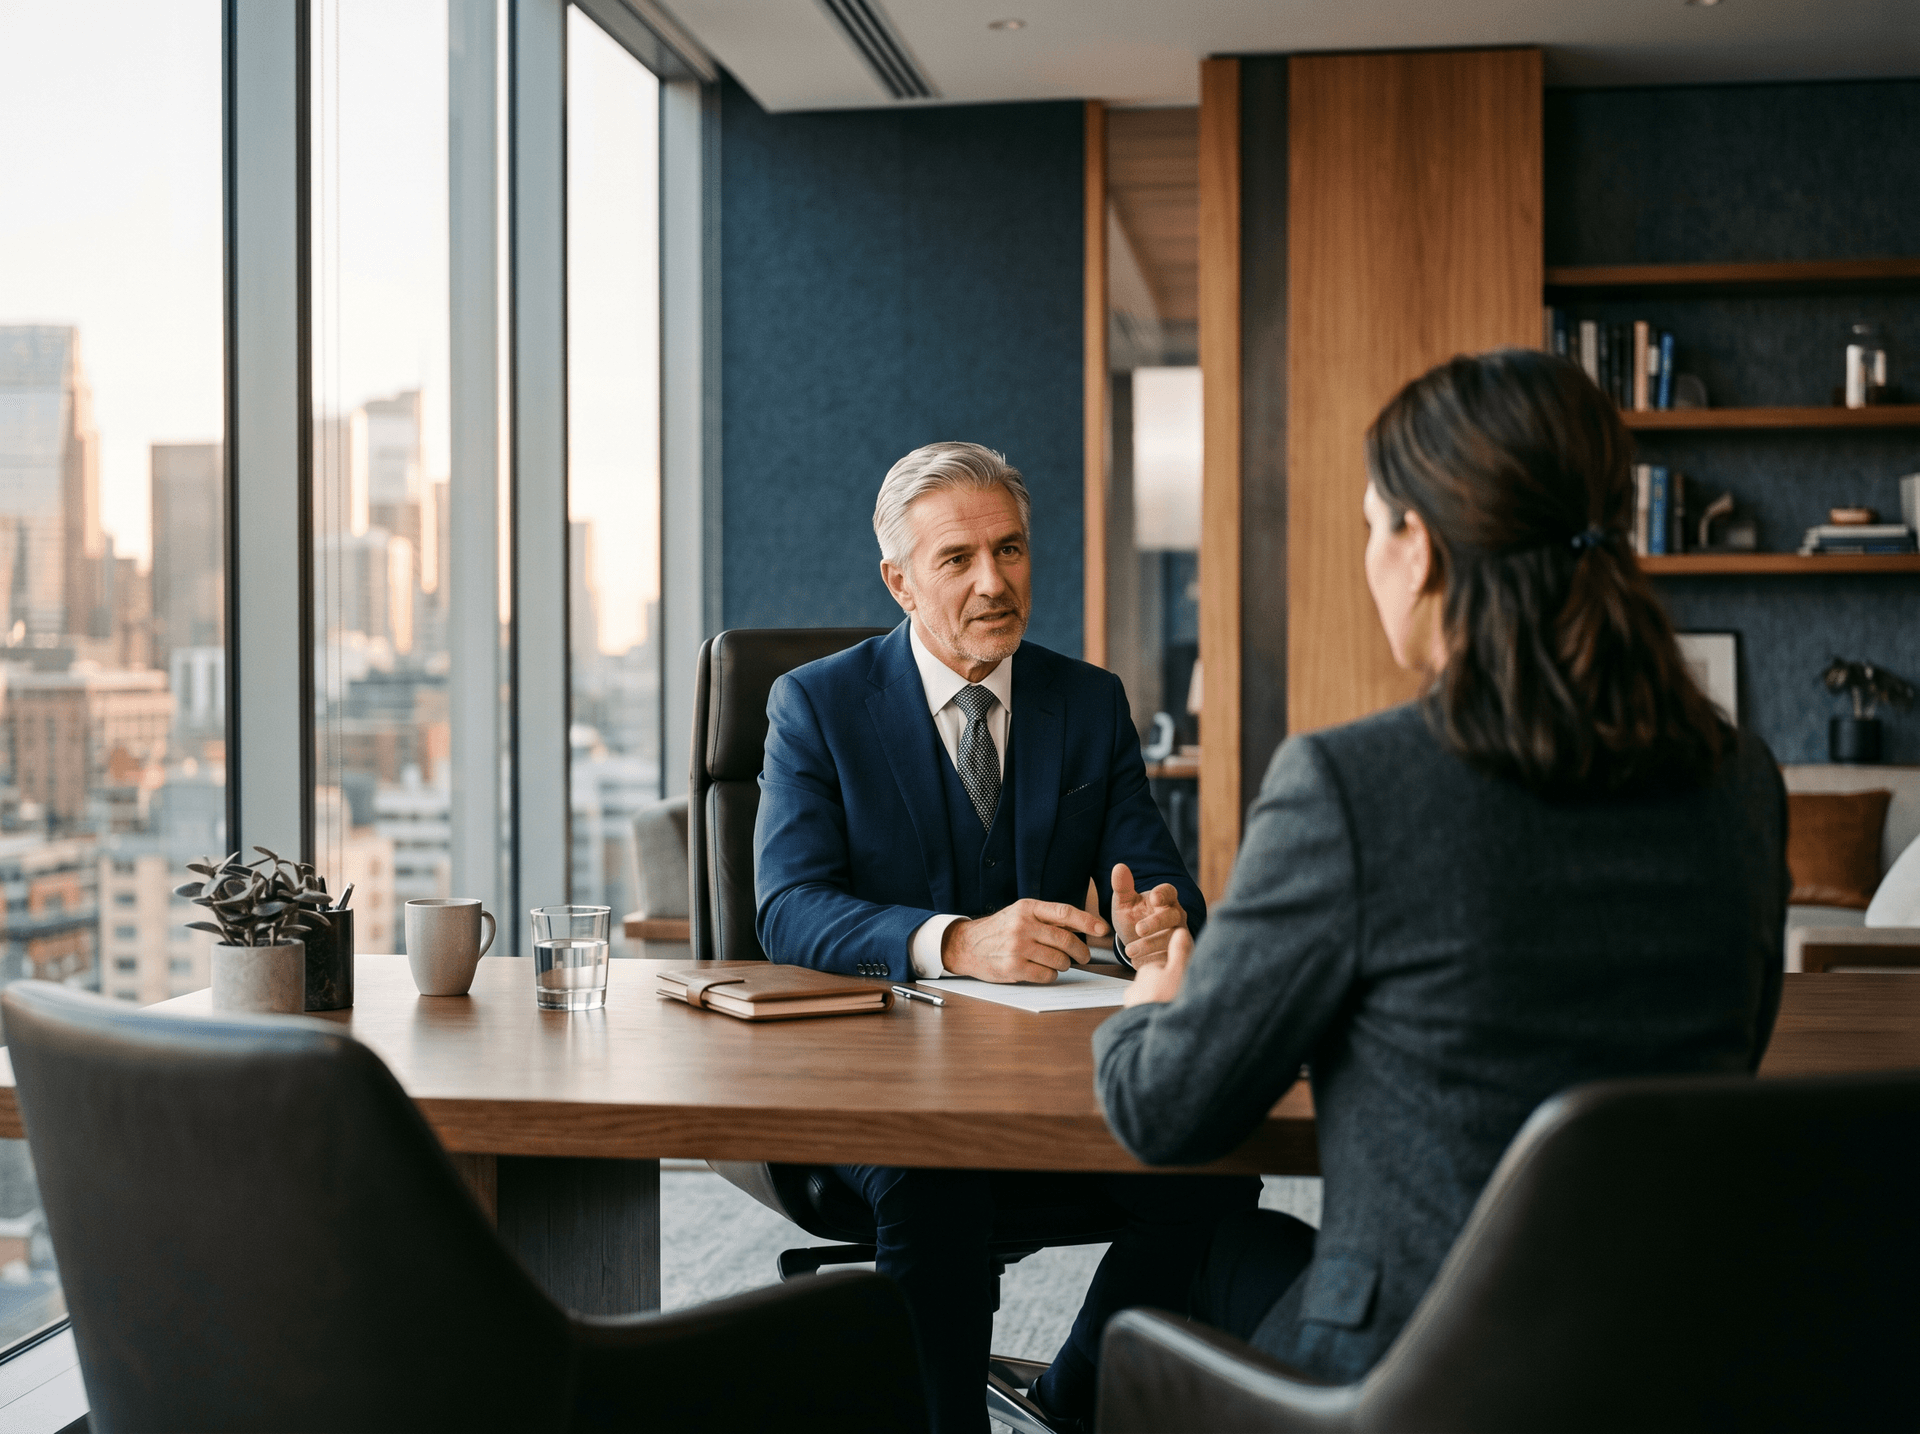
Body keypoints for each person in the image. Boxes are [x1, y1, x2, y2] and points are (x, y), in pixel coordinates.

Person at [1095, 349, 1788, 1385]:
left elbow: (1163, 1111)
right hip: (1669, 1361)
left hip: (1419, 1382)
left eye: (1373, 524)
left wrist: (1154, 1000)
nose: (1368, 553)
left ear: (1418, 548)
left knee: (1174, 1282)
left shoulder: (1352, 785)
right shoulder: (1741, 777)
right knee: (1246, 1257)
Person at [755, 441, 1259, 1433]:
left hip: (1044, 1077)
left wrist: (1155, 922)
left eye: (1012, 549)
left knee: (1215, 1163)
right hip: (874, 1084)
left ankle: (1079, 1396)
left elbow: (1162, 887)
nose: (995, 582)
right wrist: (955, 940)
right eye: (958, 559)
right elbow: (787, 906)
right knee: (933, 1183)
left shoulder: (1088, 701)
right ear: (900, 580)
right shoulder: (815, 704)